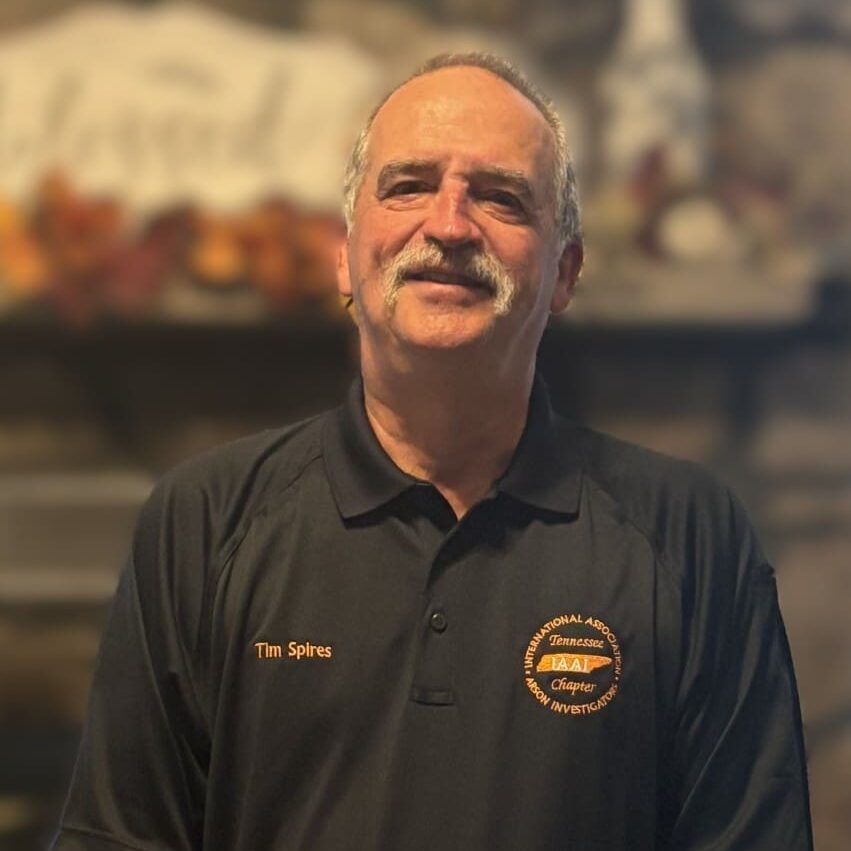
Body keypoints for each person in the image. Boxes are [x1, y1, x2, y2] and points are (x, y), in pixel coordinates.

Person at [52, 53, 813, 850]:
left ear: (564, 272)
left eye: (500, 197)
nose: (449, 225)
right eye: (409, 185)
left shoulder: (690, 535)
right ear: (342, 255)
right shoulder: (204, 521)